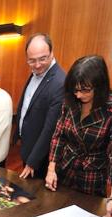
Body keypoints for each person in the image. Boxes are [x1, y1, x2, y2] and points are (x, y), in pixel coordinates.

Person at [45, 55, 112, 217]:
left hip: (92, 174)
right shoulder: (70, 100)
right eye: (75, 89)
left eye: (85, 90)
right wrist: (51, 168)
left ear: (100, 85)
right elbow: (59, 135)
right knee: (56, 216)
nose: (78, 95)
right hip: (65, 168)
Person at [14, 33, 66, 179]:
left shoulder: (59, 82)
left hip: (41, 157)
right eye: (31, 61)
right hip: (28, 147)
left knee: (39, 197)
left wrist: (32, 161)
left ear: (52, 53)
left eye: (42, 59)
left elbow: (51, 128)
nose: (37, 65)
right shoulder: (37, 71)